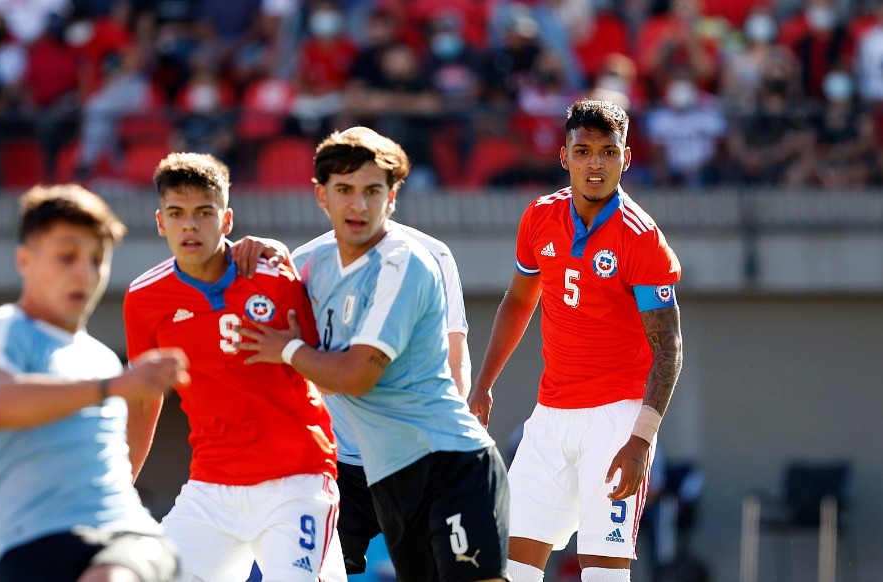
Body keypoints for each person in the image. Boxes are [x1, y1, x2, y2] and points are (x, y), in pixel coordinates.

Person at [238, 126, 508, 582]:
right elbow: (311, 365)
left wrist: (288, 350)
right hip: (370, 468)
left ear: (392, 196)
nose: (358, 204)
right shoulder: (308, 263)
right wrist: (253, 253)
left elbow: (356, 375)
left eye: (372, 190)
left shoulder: (409, 260)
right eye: (344, 189)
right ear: (321, 195)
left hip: (445, 460)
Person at [468, 99, 683, 582]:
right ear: (564, 156)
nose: (595, 164)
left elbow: (669, 349)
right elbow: (518, 301)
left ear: (626, 158)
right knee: (508, 566)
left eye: (608, 152)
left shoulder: (641, 237)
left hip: (615, 420)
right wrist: (483, 385)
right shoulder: (539, 216)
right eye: (583, 151)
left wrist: (641, 438)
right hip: (549, 417)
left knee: (603, 572)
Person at [121, 152, 345, 581]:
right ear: (161, 222)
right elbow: (144, 401)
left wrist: (290, 350)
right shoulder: (143, 298)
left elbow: (329, 379)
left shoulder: (275, 276)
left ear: (226, 220)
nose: (190, 225)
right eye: (177, 213)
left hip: (296, 481)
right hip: (211, 489)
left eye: (204, 213)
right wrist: (119, 489)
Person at [0, 184, 186, 582]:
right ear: (24, 260)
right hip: (31, 548)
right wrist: (111, 386)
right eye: (67, 256)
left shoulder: (101, 358)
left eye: (97, 259)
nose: (85, 273)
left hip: (127, 537)